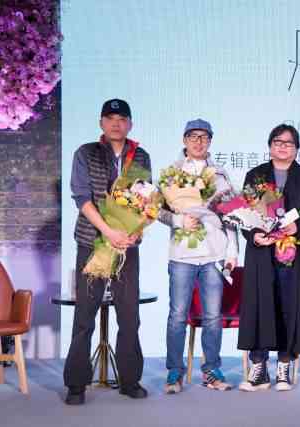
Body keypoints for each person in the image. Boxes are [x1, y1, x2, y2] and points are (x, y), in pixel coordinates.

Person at [64, 99, 151, 405]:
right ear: (101, 123)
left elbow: (145, 201)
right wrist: (108, 231)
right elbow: (82, 198)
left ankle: (130, 380)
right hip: (93, 243)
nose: (116, 123)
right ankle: (76, 385)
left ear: (130, 124)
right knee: (85, 315)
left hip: (126, 246)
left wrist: (135, 231)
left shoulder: (140, 155)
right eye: (110, 118)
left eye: (122, 118)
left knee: (129, 316)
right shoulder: (86, 152)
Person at [237, 124, 300, 392]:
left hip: (292, 254)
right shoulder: (256, 175)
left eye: (289, 143)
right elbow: (244, 214)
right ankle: (258, 366)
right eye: (278, 142)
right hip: (262, 252)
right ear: (270, 145)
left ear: (297, 148)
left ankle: (284, 364)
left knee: (289, 305)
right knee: (260, 304)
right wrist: (254, 235)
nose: (283, 147)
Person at [158, 119, 238, 393]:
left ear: (210, 141)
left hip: (214, 254)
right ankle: (174, 372)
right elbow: (156, 211)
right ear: (184, 140)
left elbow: (231, 216)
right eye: (193, 136)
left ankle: (211, 370)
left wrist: (232, 251)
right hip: (182, 254)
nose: (198, 142)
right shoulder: (171, 174)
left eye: (204, 137)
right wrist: (178, 221)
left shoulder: (220, 174)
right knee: (178, 315)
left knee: (213, 316)